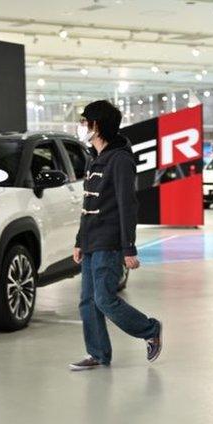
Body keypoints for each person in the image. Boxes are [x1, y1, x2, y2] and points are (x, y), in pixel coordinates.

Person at [69, 100, 162, 371]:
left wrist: (128, 248)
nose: (82, 126)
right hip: (90, 242)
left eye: (85, 121)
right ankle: (98, 353)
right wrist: (79, 241)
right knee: (87, 301)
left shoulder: (120, 160)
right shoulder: (95, 158)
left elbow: (127, 205)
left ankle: (150, 329)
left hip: (109, 243)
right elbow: (88, 205)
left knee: (104, 299)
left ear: (96, 125)